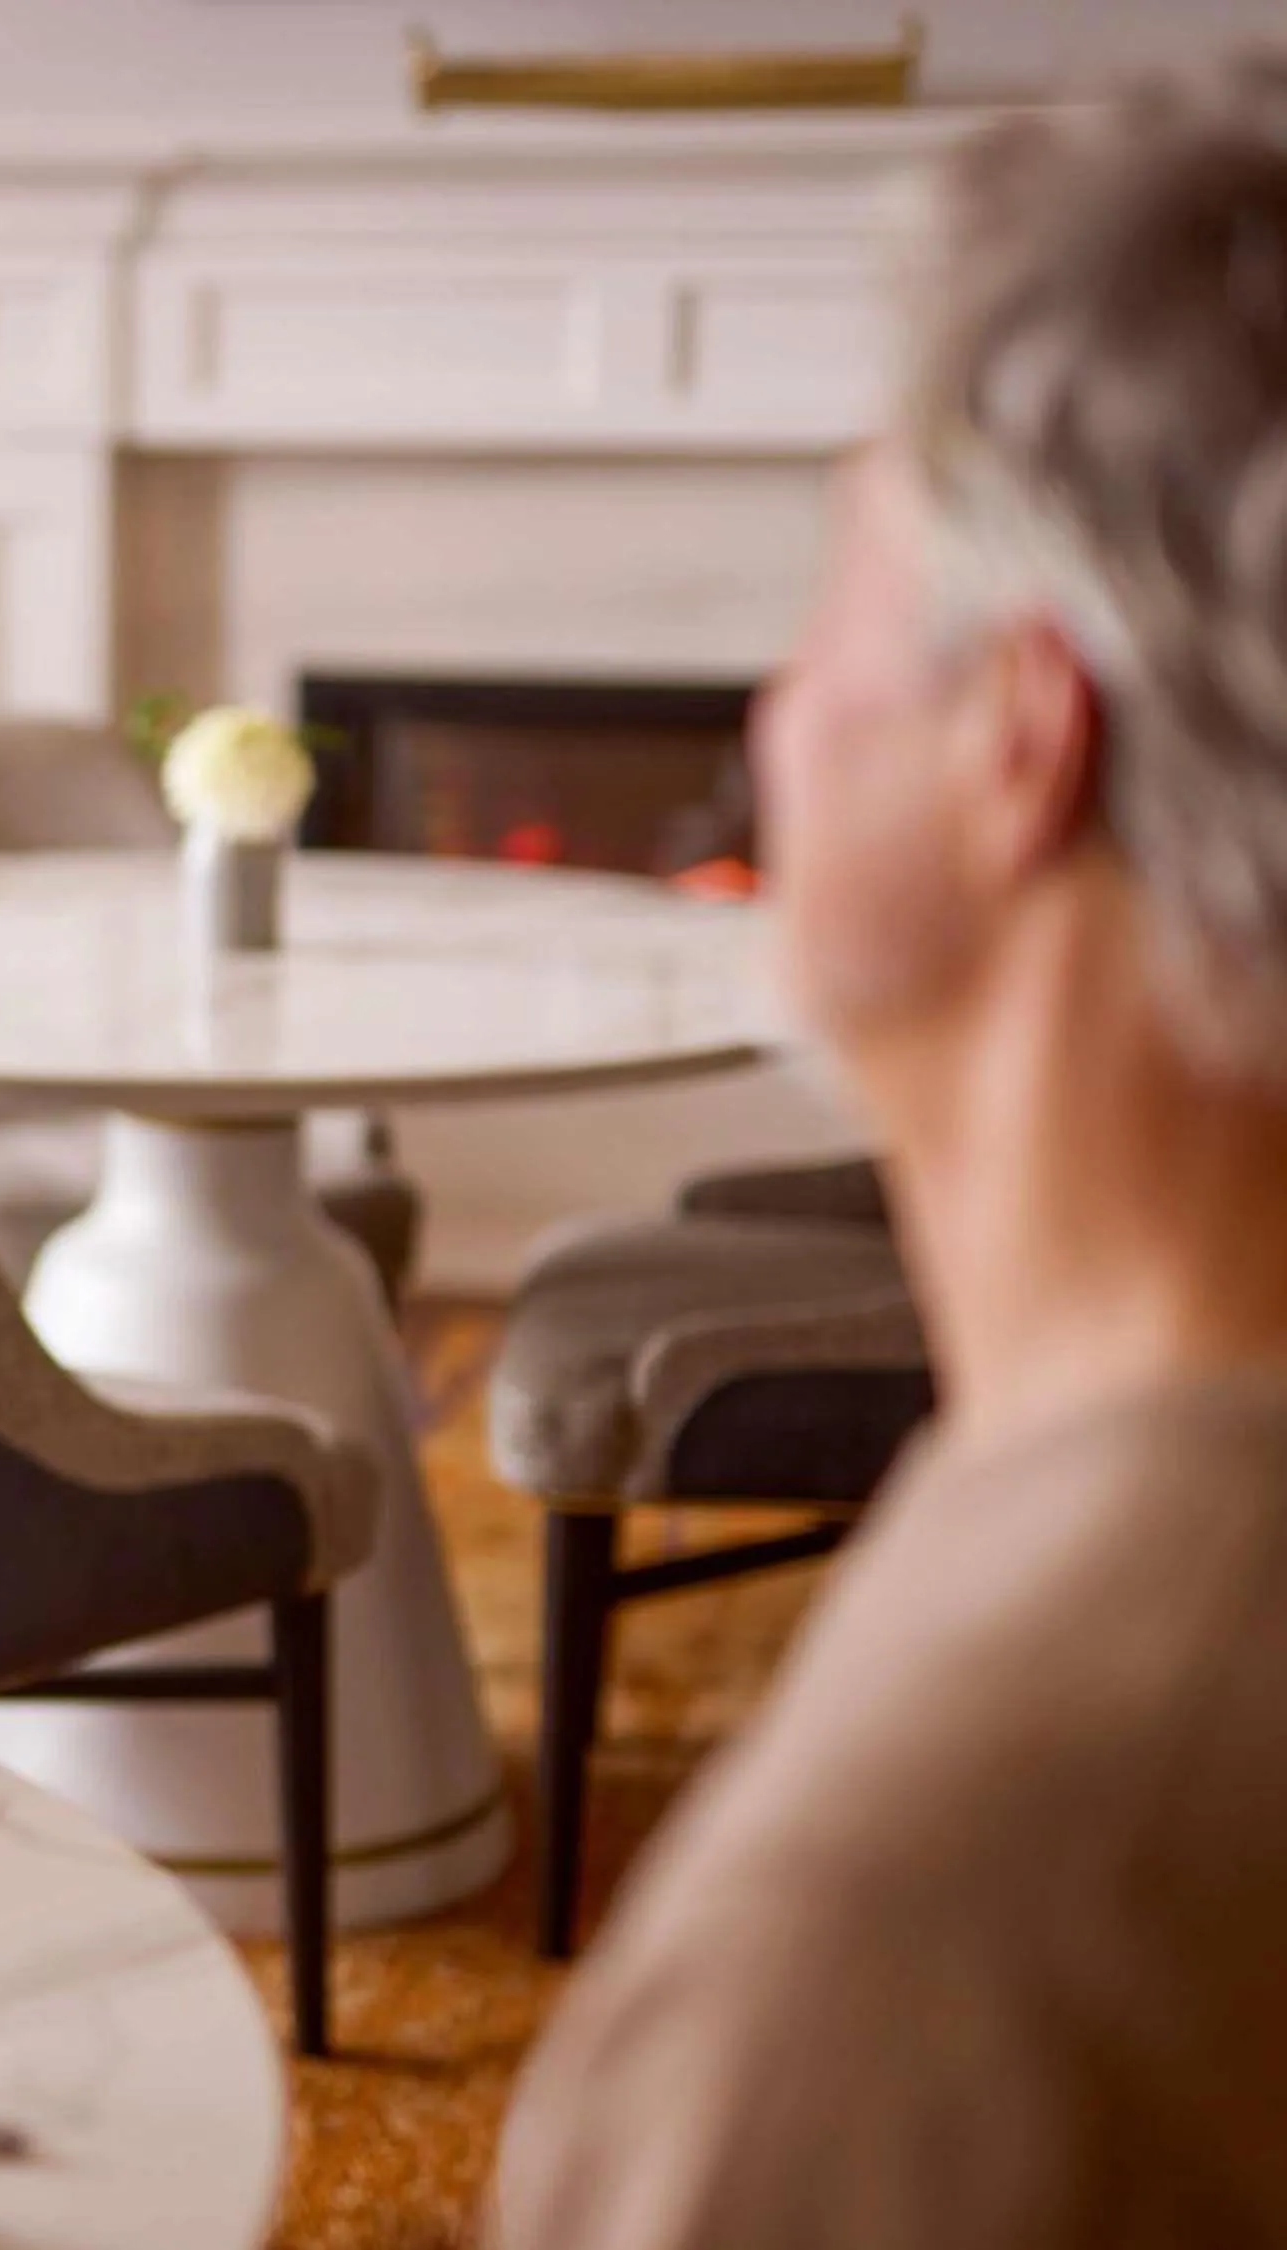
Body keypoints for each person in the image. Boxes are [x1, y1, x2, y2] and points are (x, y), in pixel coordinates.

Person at [495, 55, 1287, 2246]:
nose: (775, 706)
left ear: (1021, 744)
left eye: (837, 599)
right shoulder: (1082, 1492)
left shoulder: (899, 1947)